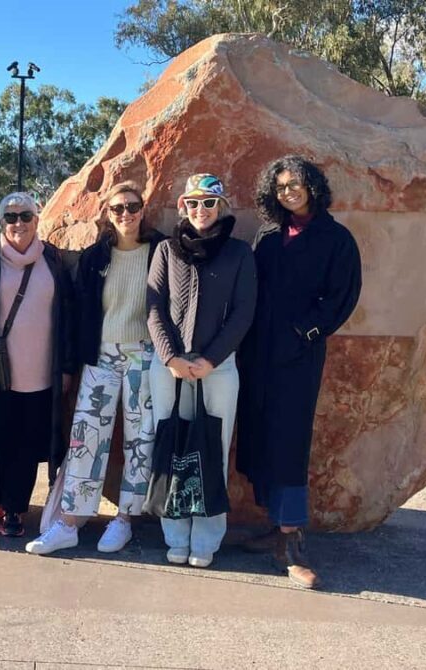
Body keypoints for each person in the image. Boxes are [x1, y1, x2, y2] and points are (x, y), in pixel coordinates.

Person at [236, 155, 362, 589]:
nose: (289, 192)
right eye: (282, 186)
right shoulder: (268, 238)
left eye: (296, 184)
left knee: (289, 444)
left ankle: (292, 543)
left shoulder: (336, 239)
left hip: (297, 358)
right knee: (259, 438)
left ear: (312, 186)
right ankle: (276, 525)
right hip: (257, 356)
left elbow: (342, 297)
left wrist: (304, 332)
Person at [25, 182, 165, 555]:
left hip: (146, 355)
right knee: (86, 435)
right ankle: (70, 522)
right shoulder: (94, 257)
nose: (125, 215)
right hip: (101, 355)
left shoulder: (161, 251)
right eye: (117, 208)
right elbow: (78, 314)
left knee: (141, 439)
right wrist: (72, 362)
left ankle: (124, 520)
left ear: (142, 209)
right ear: (107, 213)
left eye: (132, 207)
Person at [147, 174, 257, 567]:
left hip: (218, 366)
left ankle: (207, 538)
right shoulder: (165, 251)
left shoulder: (239, 253)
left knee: (213, 448)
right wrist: (171, 358)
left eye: (208, 203)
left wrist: (210, 359)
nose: (200, 211)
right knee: (172, 446)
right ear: (183, 207)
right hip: (170, 367)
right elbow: (154, 306)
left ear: (221, 207)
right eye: (192, 203)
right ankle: (175, 534)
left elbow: (244, 312)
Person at [0, 192, 75, 538]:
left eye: (25, 216)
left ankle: (16, 509)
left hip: (40, 374)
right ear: (0, 222)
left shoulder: (52, 261)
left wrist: (66, 367)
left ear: (37, 220)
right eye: (10, 217)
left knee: (24, 445)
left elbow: (67, 319)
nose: (18, 223)